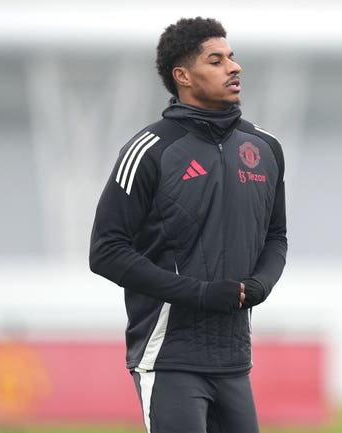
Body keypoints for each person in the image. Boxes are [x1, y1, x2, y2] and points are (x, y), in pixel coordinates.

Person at [89, 17, 287, 433]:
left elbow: (276, 236)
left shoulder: (265, 148)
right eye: (216, 60)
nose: (234, 67)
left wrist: (261, 286)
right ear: (183, 76)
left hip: (235, 359)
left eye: (232, 57)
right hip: (169, 355)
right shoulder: (149, 150)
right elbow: (106, 251)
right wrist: (199, 293)